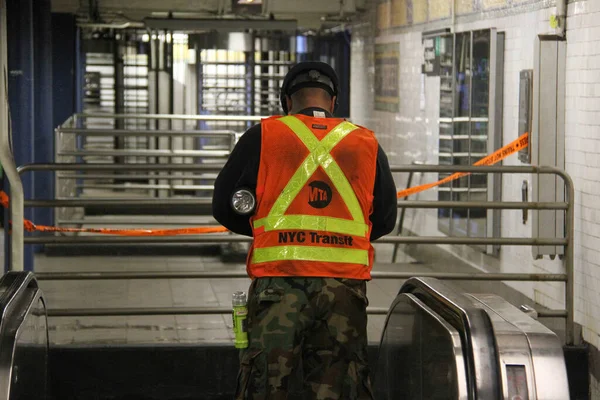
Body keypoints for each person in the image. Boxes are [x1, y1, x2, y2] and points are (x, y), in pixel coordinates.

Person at [212, 61, 397, 399]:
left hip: (278, 286)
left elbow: (223, 205)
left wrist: (269, 230)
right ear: (334, 101)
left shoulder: (263, 135)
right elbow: (384, 219)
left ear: (286, 101)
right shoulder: (366, 143)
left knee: (266, 385)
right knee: (339, 386)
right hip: (344, 290)